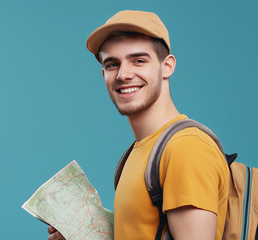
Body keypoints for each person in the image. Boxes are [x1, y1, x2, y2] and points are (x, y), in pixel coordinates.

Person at [48, 10, 229, 240]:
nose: (123, 74)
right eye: (113, 64)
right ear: (104, 73)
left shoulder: (186, 148)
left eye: (139, 61)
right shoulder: (136, 153)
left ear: (167, 66)